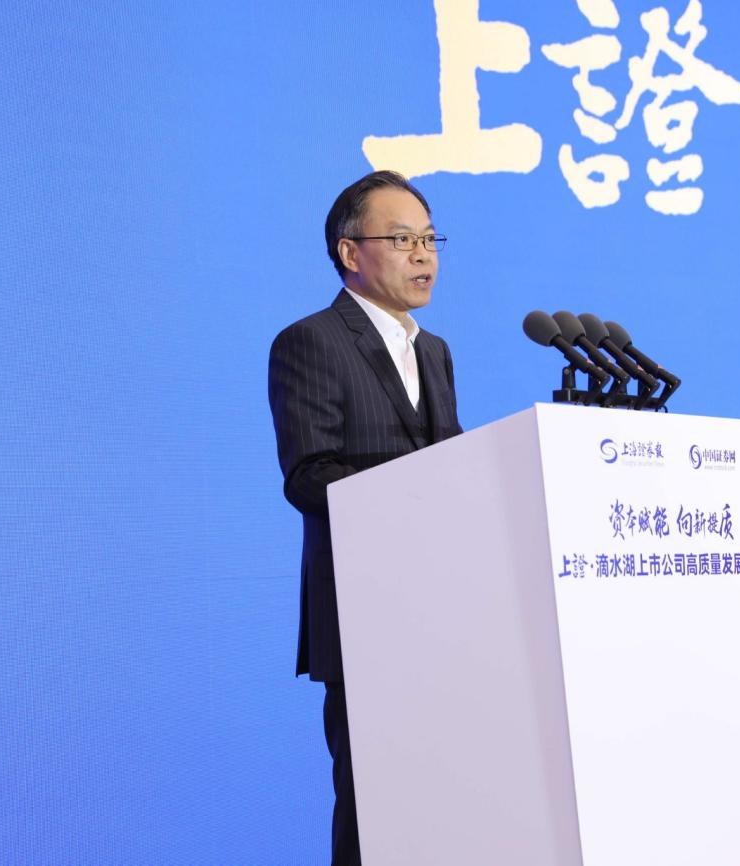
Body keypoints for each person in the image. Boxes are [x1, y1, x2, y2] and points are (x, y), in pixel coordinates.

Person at [267, 170, 463, 866]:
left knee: (447, 804)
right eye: (403, 239)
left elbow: (454, 469)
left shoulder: (434, 352)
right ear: (351, 252)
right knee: (374, 810)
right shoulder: (311, 341)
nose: (423, 254)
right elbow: (309, 475)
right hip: (364, 615)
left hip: (444, 616)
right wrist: (414, 501)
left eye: (430, 239)